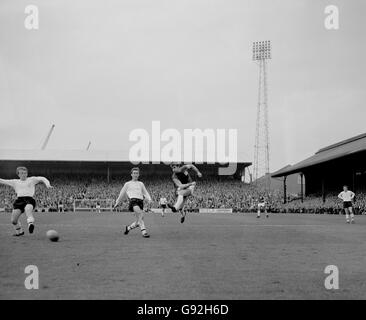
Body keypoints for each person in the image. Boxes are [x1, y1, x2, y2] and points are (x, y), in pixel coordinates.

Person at [0, 166, 53, 236]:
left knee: (28, 209)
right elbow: (2, 181)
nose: (23, 174)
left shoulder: (32, 179)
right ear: (18, 174)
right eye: (21, 173)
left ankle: (30, 224)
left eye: (25, 173)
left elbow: (42, 178)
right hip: (19, 201)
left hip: (29, 199)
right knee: (13, 220)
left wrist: (48, 185)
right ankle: (20, 232)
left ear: (27, 174)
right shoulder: (15, 182)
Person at [113, 168, 152, 238]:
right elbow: (121, 193)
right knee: (140, 215)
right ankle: (144, 232)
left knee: (139, 220)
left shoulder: (141, 184)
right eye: (134, 173)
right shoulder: (127, 184)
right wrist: (117, 202)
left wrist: (149, 199)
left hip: (140, 202)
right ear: (131, 174)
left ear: (139, 174)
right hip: (133, 201)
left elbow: (145, 192)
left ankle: (128, 228)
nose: (135, 174)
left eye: (137, 173)